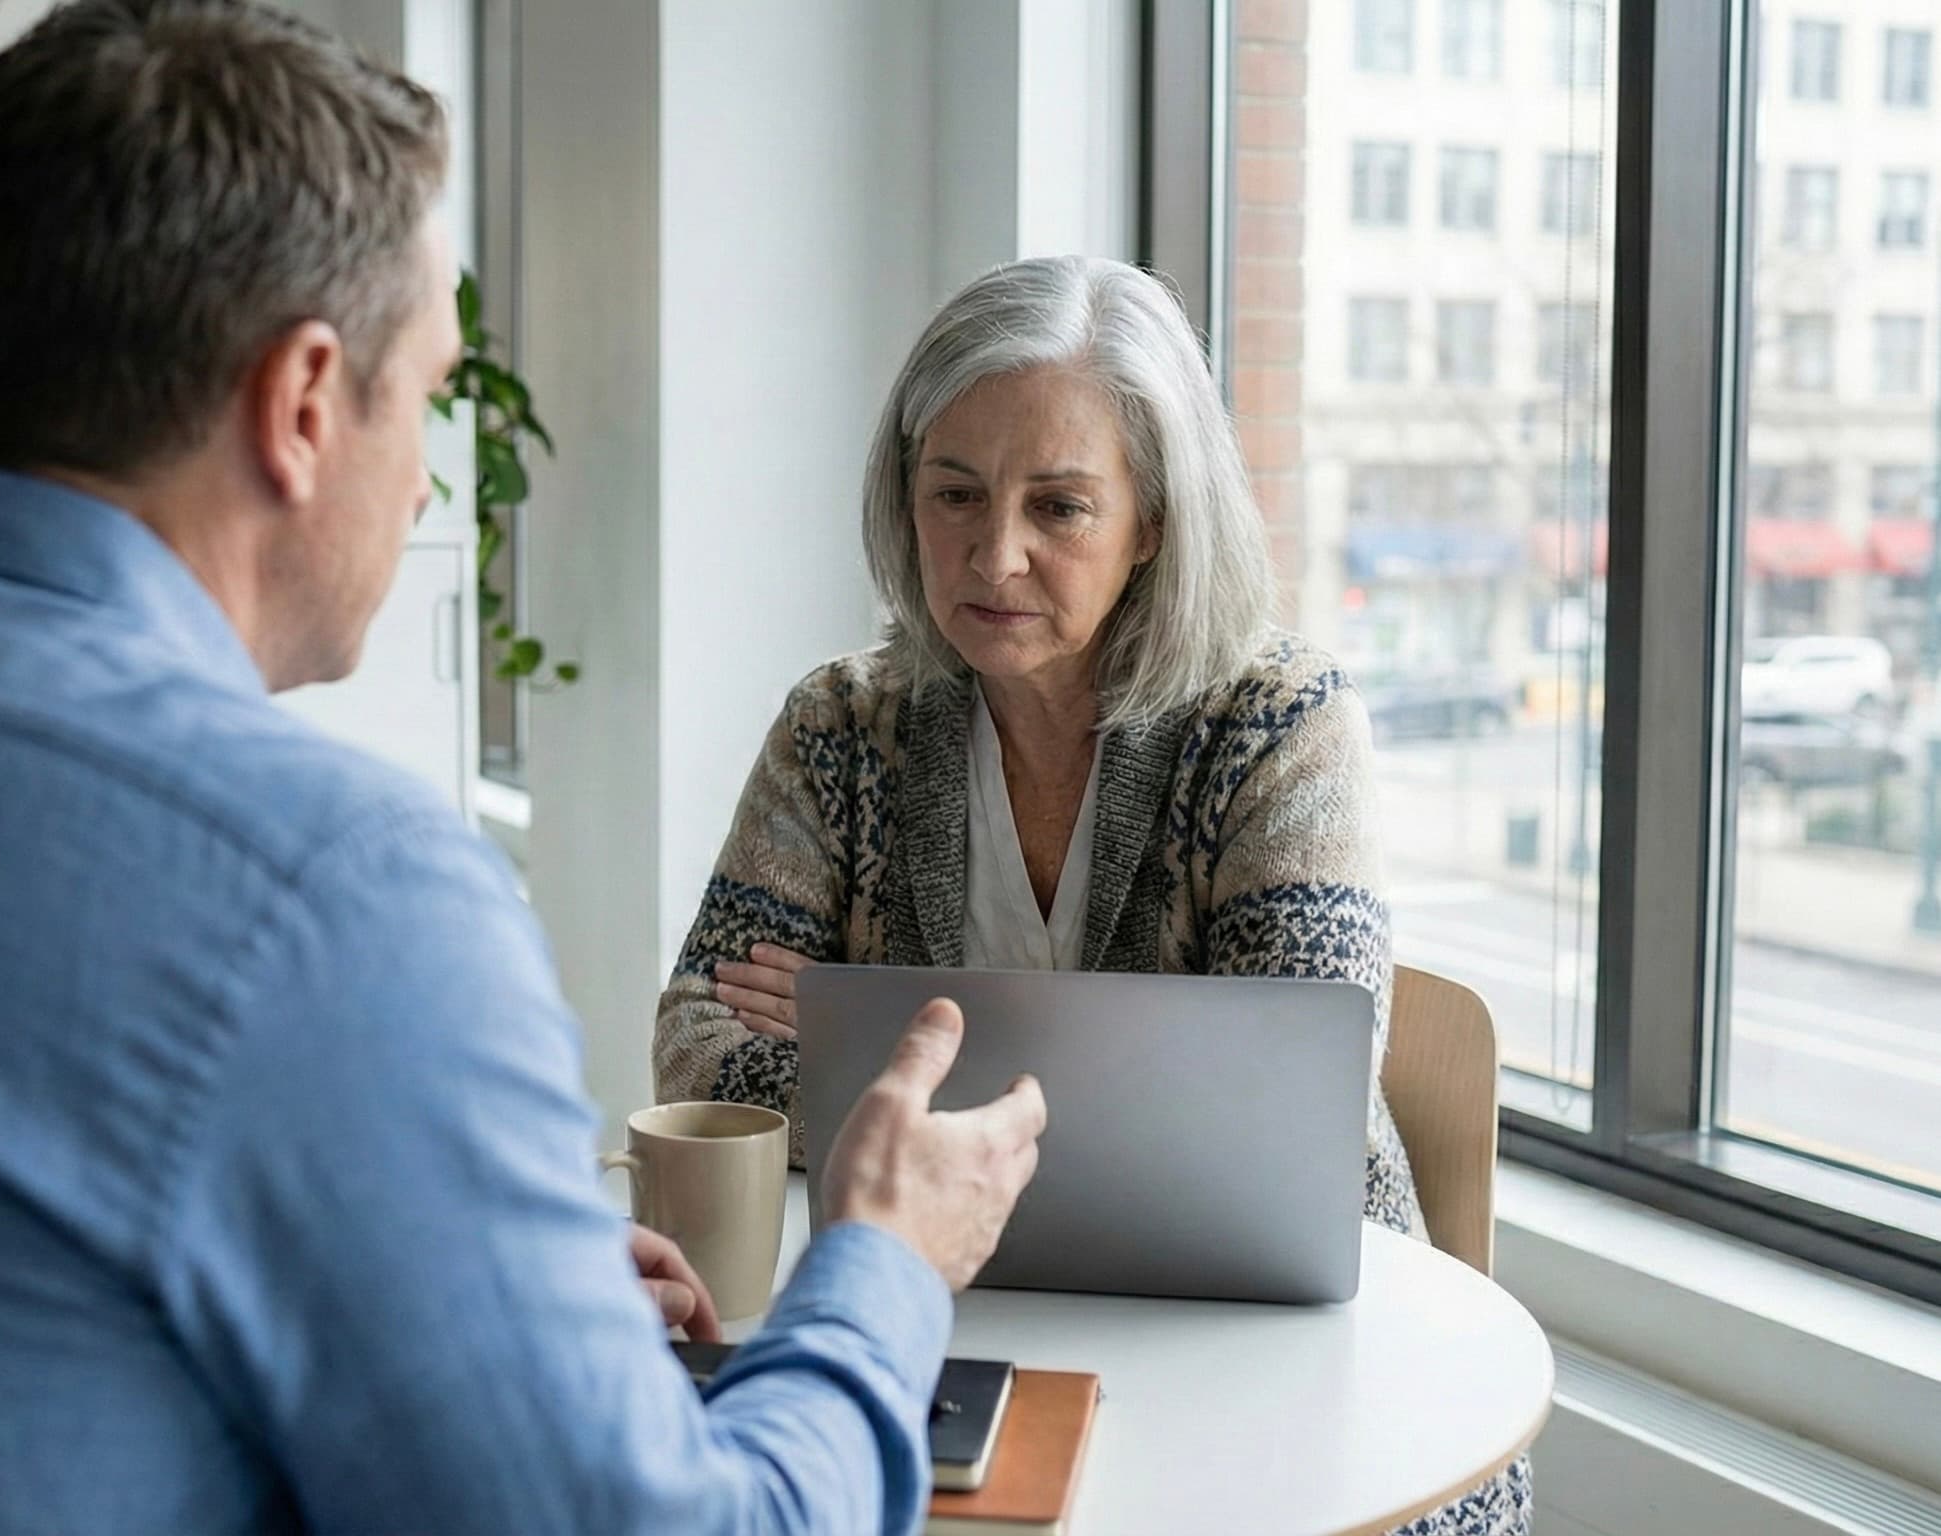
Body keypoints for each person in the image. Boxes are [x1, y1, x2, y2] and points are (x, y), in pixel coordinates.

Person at [0, 4, 1047, 1532]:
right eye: (426, 394)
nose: (422, 475)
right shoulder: (338, 900)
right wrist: (882, 1264)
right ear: (297, 405)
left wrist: (441, 1272)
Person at [653, 255, 1531, 1535]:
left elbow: (1292, 1101)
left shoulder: (1278, 721)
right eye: (953, 492)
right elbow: (696, 1047)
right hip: (957, 1320)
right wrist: (1132, 1068)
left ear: (1154, 521)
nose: (992, 552)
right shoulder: (841, 722)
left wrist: (891, 1060)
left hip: (1265, 1337)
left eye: (1058, 507)